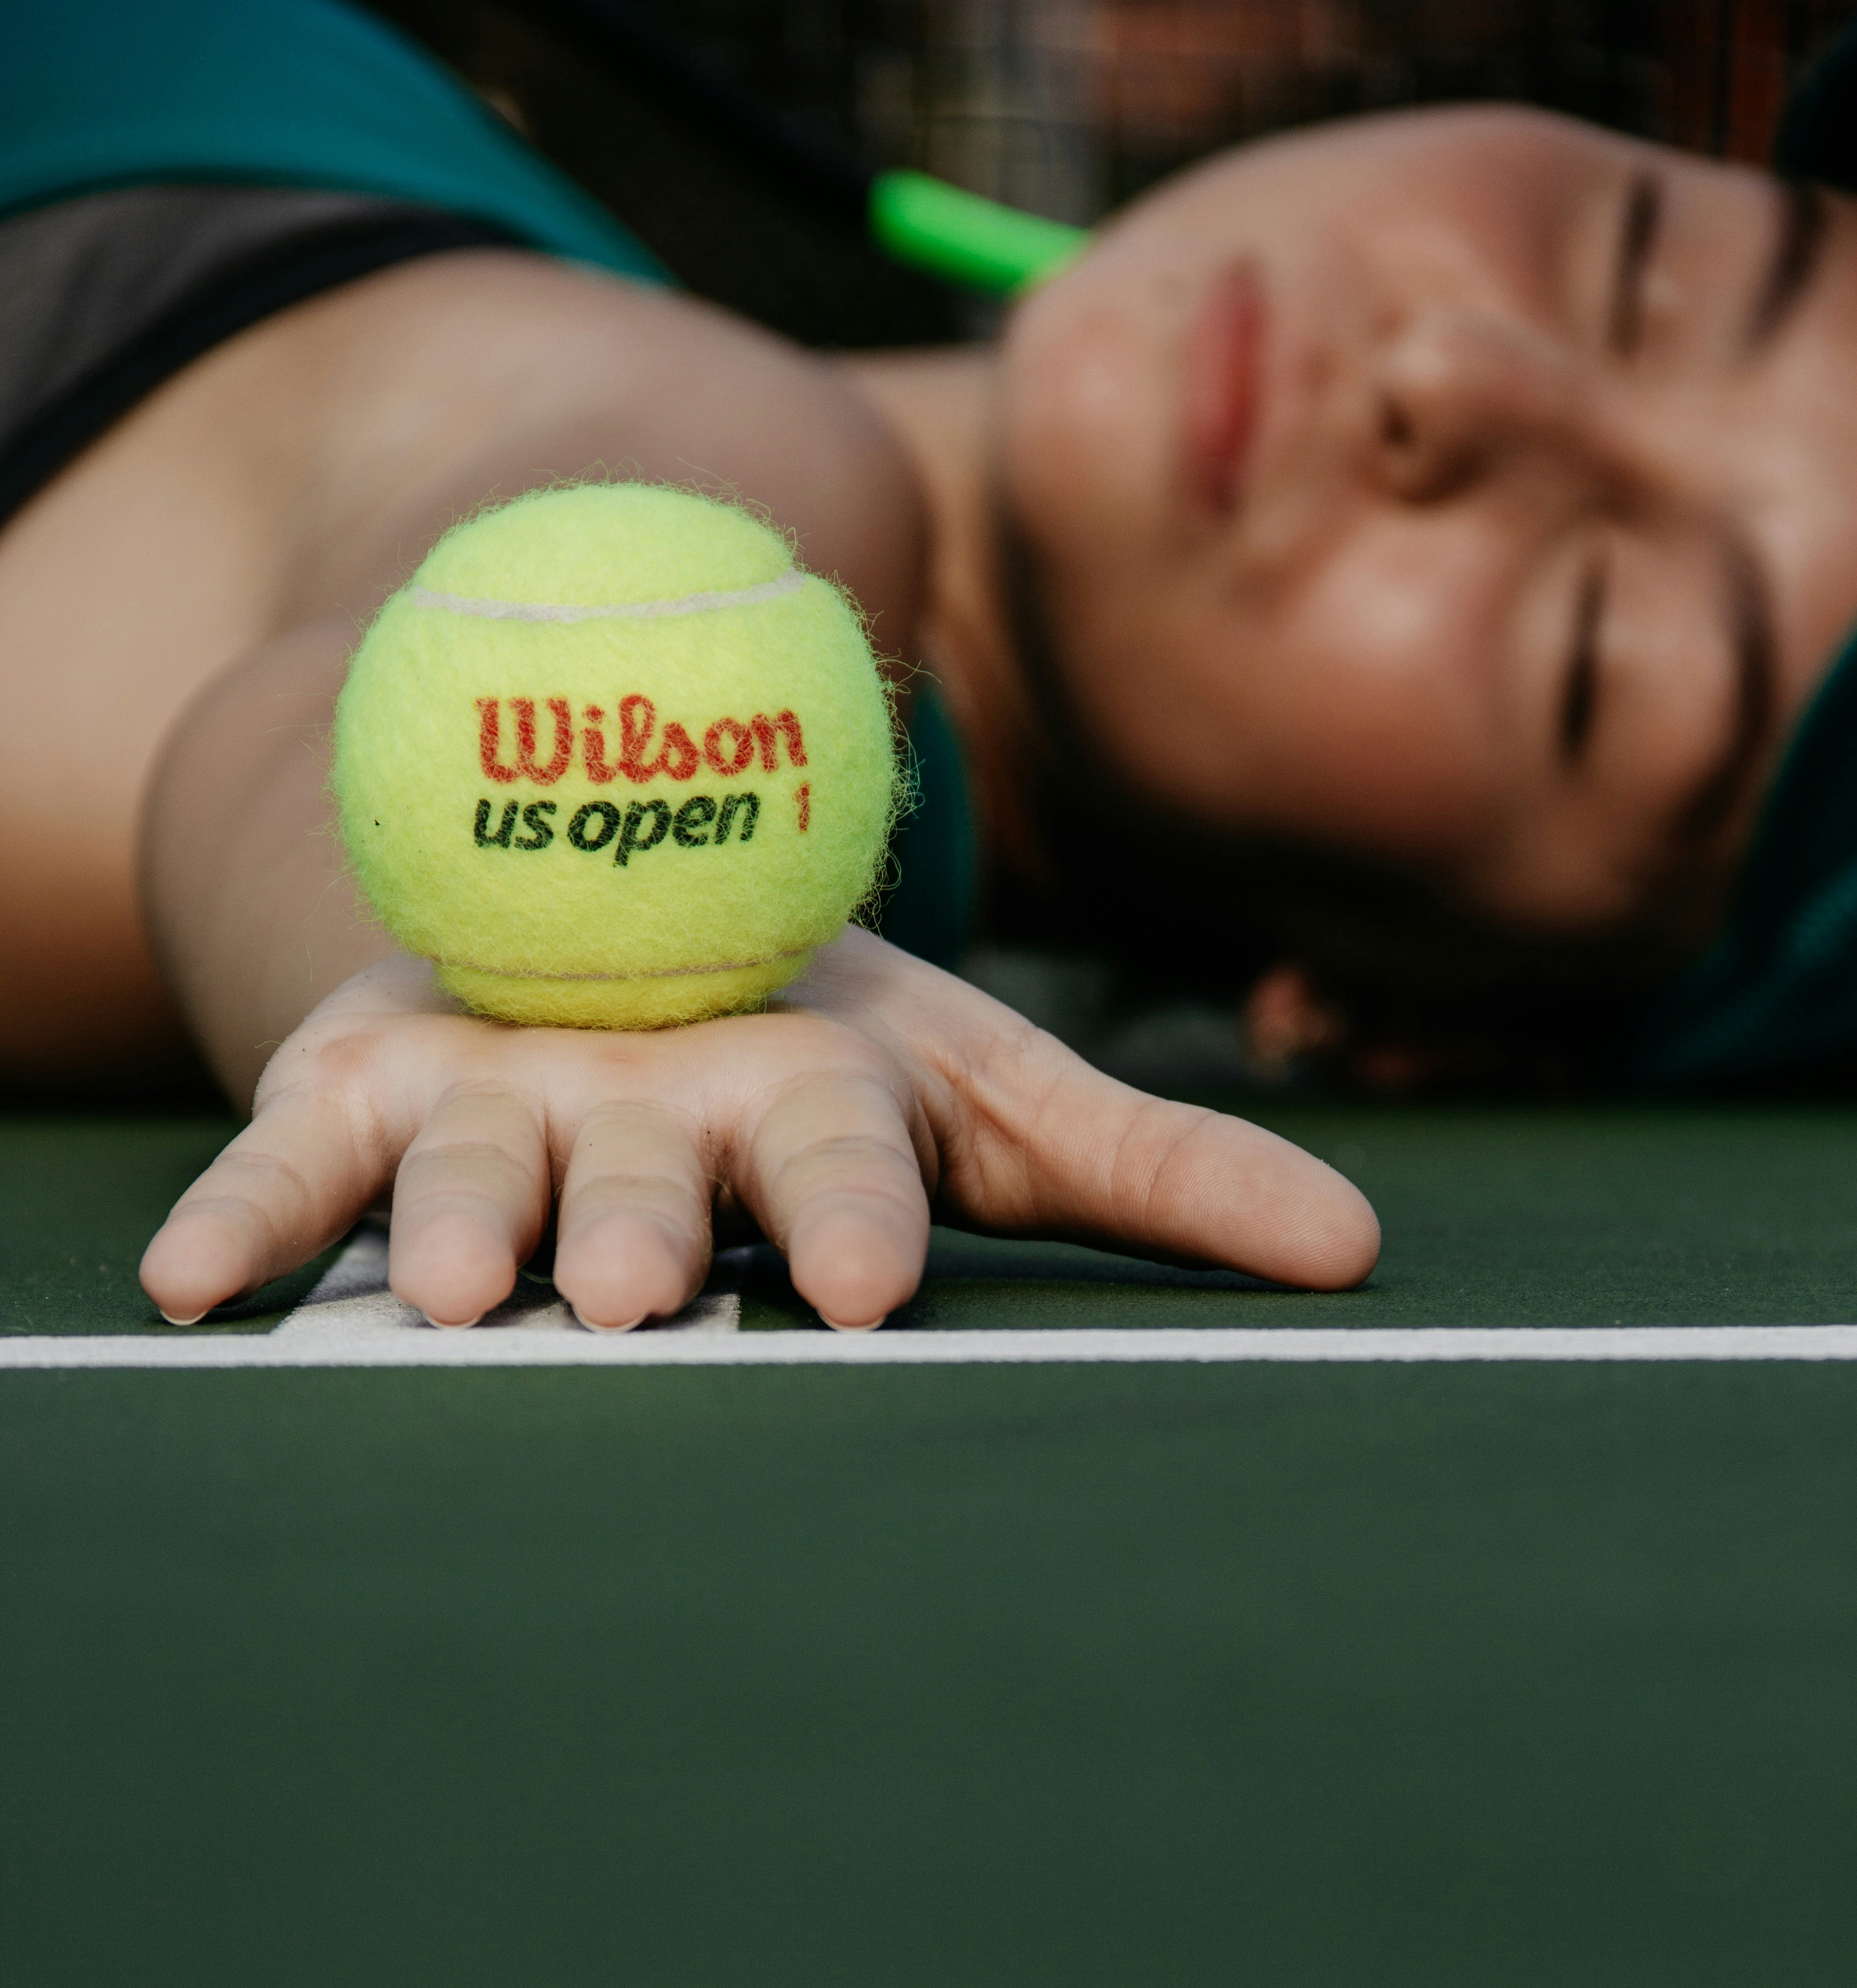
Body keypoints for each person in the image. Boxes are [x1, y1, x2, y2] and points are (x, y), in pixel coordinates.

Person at [5, 6, 1857, 1330]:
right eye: (1640, 259)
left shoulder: (750, 469)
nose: (1458, 382)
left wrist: (501, 986)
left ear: (1444, 1026)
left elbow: (300, 716)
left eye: (1593, 651)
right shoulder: (613, 269)